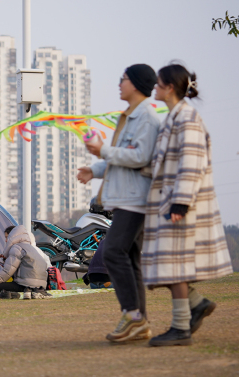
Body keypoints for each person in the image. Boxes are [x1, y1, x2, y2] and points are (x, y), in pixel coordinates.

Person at [143, 64, 232, 346]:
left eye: (158, 84)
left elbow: (192, 162)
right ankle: (196, 304)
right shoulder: (174, 117)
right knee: (166, 266)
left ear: (169, 87)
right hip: (170, 203)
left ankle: (180, 328)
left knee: (174, 266)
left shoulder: (187, 119)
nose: (154, 89)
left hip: (181, 207)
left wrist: (180, 203)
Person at [77, 64, 161, 342]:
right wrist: (96, 169)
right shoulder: (131, 117)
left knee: (112, 252)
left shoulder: (146, 118)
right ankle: (140, 323)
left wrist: (102, 150)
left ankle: (133, 315)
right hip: (128, 196)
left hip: (134, 199)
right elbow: (123, 157)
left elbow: (139, 157)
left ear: (135, 84)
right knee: (131, 260)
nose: (119, 84)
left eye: (123, 79)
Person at [0, 225, 49, 300]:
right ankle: (32, 291)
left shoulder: (17, 248)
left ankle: (24, 291)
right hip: (41, 285)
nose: (6, 240)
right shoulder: (30, 247)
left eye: (6, 237)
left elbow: (7, 271)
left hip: (26, 284)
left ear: (12, 236)